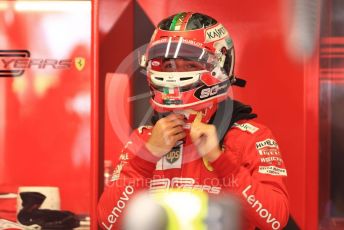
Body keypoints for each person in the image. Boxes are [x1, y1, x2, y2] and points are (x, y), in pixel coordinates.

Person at [98, 12, 289, 230]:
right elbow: (108, 221)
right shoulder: (145, 138)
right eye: (168, 66)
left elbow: (275, 220)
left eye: (189, 65)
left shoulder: (249, 136)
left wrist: (221, 161)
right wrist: (147, 157)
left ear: (220, 65)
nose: (174, 74)